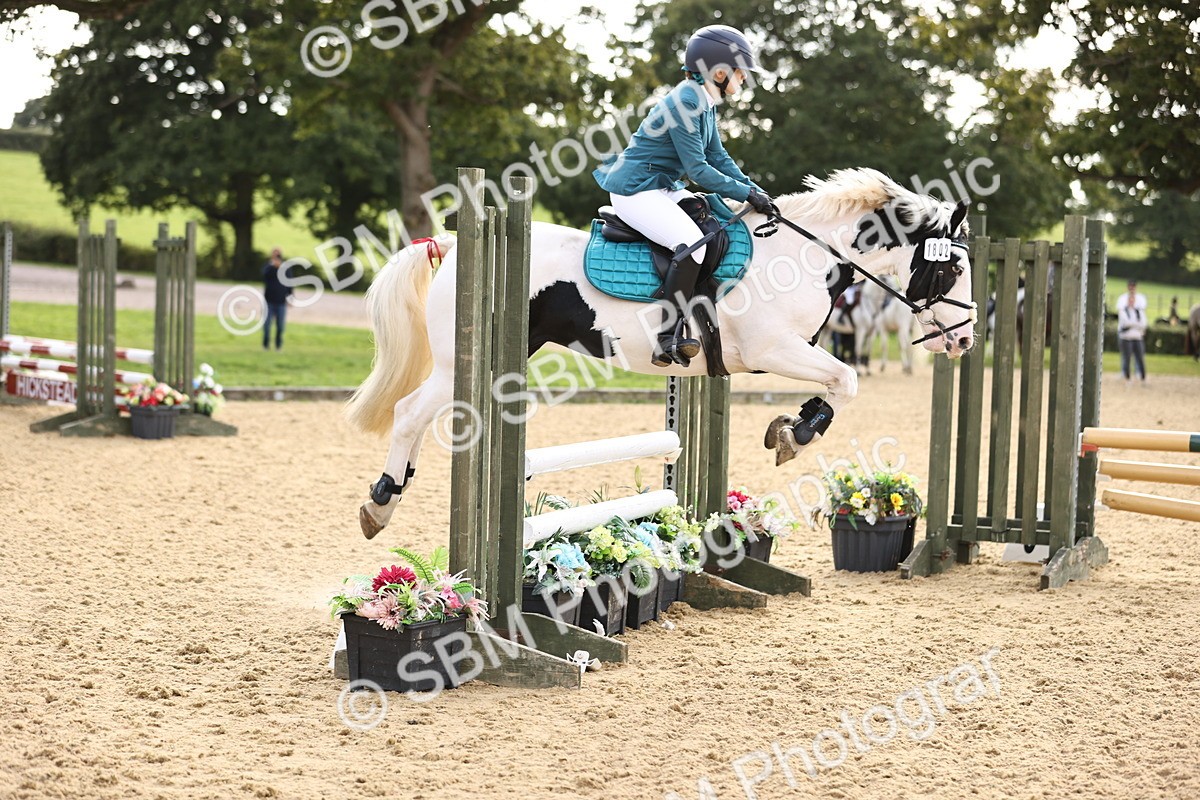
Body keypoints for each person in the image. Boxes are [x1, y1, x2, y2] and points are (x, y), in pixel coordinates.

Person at [593, 24, 773, 367]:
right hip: (636, 192)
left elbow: (719, 158)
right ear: (719, 72)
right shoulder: (686, 101)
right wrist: (746, 193)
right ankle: (666, 337)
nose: (743, 80)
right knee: (694, 242)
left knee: (712, 224)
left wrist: (756, 190)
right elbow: (700, 170)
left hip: (662, 189)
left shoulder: (705, 100)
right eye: (740, 73)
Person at [261, 248, 292, 350]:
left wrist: (290, 297)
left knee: (280, 326)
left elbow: (289, 284)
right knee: (266, 326)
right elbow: (264, 275)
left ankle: (278, 346)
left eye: (278, 256)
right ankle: (265, 345)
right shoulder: (268, 267)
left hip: (281, 302)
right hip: (268, 301)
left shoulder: (285, 268)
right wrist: (273, 267)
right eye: (274, 256)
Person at [1117, 281, 1148, 384]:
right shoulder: (1123, 303)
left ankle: (1140, 374)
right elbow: (1125, 323)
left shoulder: (1140, 305)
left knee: (1139, 357)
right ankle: (1126, 375)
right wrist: (1135, 325)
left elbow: (1143, 323)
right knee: (1126, 357)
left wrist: (1134, 325)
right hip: (1126, 336)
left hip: (1137, 336)